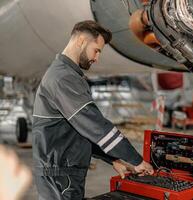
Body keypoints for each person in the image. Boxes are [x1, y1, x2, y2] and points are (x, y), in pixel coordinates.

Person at [32, 20, 153, 200]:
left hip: (61, 173)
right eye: (97, 50)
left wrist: (113, 160)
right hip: (59, 176)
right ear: (81, 40)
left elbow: (81, 131)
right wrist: (136, 160)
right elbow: (96, 127)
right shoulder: (63, 78)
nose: (97, 58)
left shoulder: (67, 74)